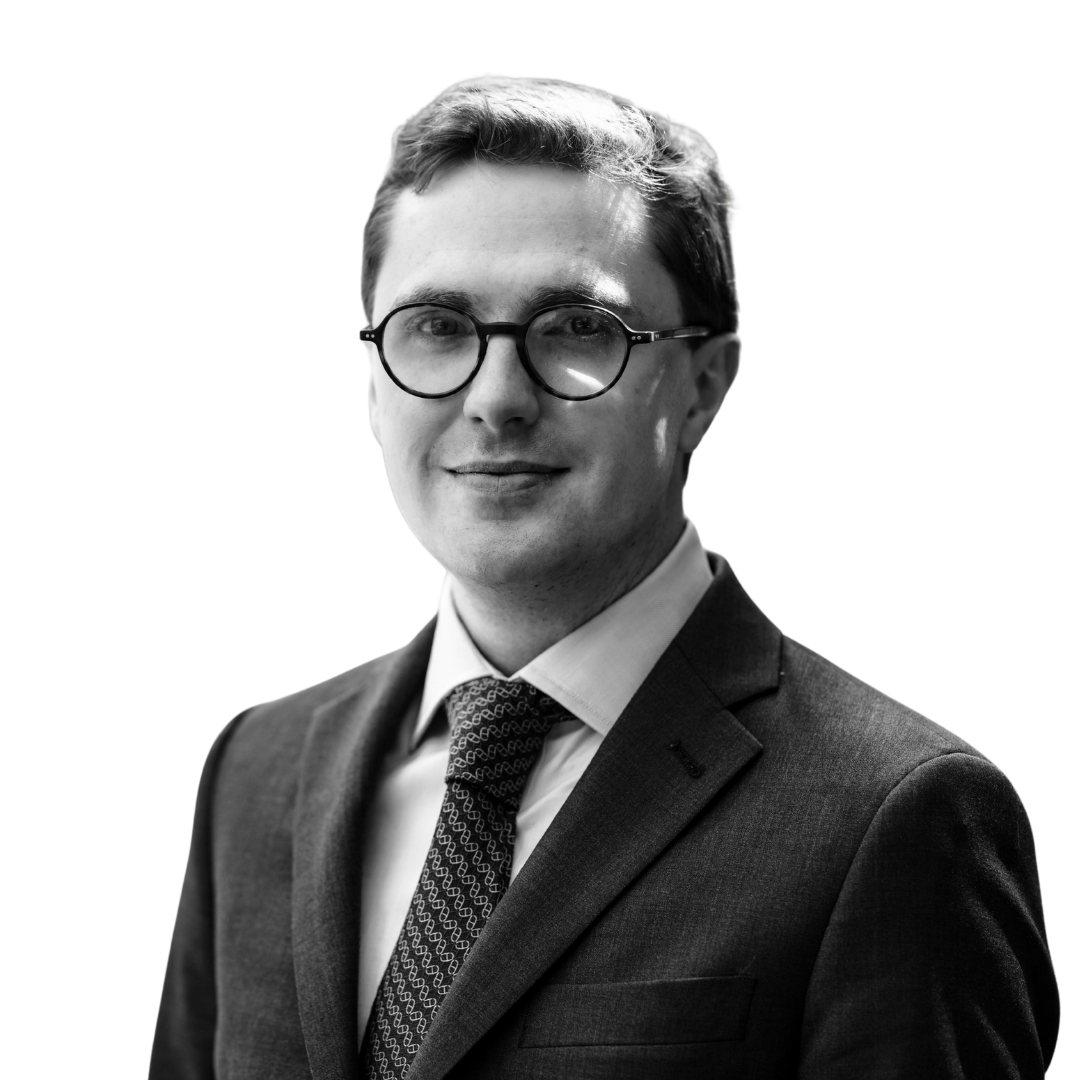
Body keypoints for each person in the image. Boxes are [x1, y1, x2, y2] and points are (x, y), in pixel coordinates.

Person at [150, 76, 1058, 1080]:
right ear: (373, 380)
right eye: (437, 328)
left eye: (577, 330)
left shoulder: (896, 818)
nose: (495, 399)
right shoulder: (256, 773)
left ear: (704, 383)